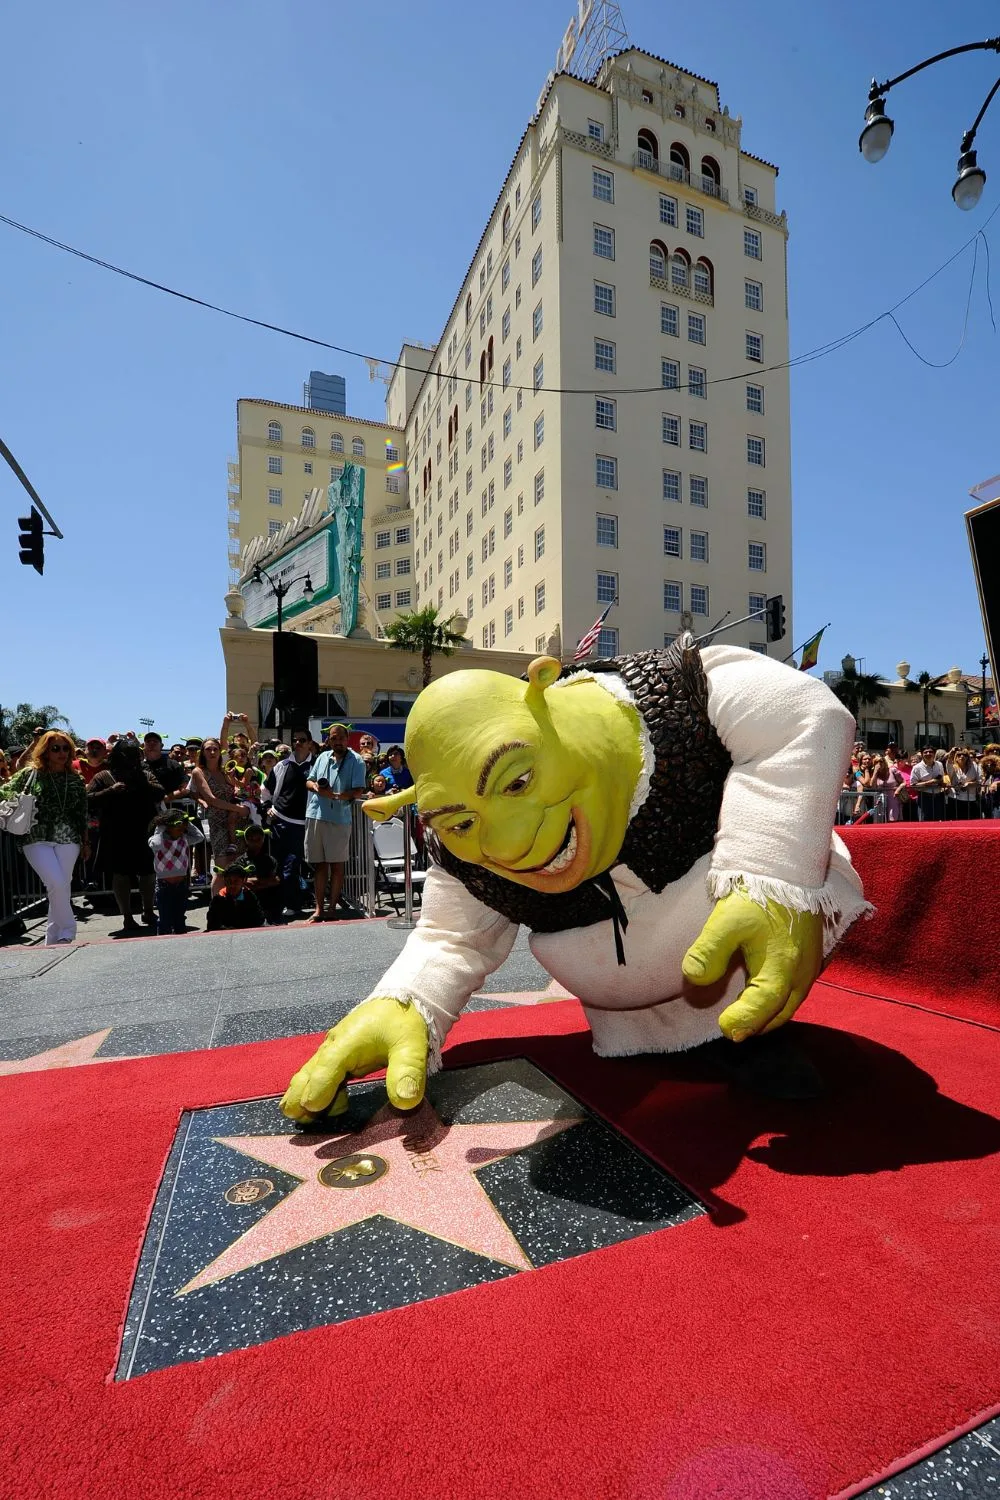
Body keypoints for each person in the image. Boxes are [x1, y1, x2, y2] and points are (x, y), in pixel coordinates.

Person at [282, 641, 870, 1125]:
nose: (506, 846)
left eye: (516, 782)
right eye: (462, 822)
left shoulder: (677, 694)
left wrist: (771, 876)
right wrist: (405, 1003)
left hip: (738, 954)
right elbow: (450, 938)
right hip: (623, 1025)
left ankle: (754, 1030)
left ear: (546, 696)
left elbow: (801, 712)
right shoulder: (464, 857)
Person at [0, 731, 89, 945]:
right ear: (45, 751)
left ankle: (53, 939)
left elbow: (81, 814)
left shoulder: (76, 780)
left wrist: (86, 842)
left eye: (66, 748)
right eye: (55, 748)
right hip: (35, 837)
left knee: (61, 886)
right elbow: (4, 791)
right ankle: (68, 930)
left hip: (69, 838)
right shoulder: (29, 774)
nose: (61, 753)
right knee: (56, 882)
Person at [87, 738, 165, 935]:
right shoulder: (104, 776)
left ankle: (148, 911)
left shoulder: (146, 775)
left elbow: (160, 793)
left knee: (148, 872)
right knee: (120, 875)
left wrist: (141, 782)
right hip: (116, 834)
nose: (131, 759)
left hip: (143, 831)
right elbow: (88, 799)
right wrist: (110, 791)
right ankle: (127, 916)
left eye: (134, 755)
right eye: (127, 755)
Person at [304, 723, 368, 922]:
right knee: (319, 865)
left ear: (347, 739)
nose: (337, 741)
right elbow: (309, 781)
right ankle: (319, 909)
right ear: (328, 740)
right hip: (315, 815)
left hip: (339, 819)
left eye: (341, 737)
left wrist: (335, 796)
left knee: (337, 866)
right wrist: (317, 788)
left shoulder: (357, 761)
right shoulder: (322, 756)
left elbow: (358, 791)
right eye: (333, 738)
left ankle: (332, 908)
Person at [265, 730, 315, 919]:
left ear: (310, 743)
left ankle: (294, 905)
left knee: (291, 868)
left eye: (302, 740)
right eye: (295, 740)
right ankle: (279, 907)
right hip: (280, 822)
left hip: (305, 824)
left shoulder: (317, 765)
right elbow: (266, 791)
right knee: (277, 867)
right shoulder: (281, 765)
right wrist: (267, 807)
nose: (298, 743)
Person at [188, 738, 248, 892]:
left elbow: (239, 789)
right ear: (203, 752)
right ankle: (216, 904)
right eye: (208, 749)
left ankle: (238, 903)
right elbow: (211, 799)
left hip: (236, 822)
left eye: (215, 749)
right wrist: (238, 809)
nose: (212, 752)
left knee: (238, 869)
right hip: (218, 823)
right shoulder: (198, 772)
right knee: (222, 871)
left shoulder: (225, 771)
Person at [148, 808, 205, 935]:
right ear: (168, 826)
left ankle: (181, 938)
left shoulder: (184, 839)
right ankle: (163, 939)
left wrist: (187, 823)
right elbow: (155, 844)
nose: (182, 831)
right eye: (179, 828)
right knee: (165, 918)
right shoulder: (158, 840)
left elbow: (200, 837)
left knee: (180, 917)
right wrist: (161, 827)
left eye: (183, 828)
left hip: (181, 885)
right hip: (164, 886)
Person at [238, 823, 284, 924]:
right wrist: (266, 882)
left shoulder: (271, 860)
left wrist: (254, 883)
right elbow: (240, 882)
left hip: (270, 905)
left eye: (258, 839)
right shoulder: (240, 861)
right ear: (246, 840)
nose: (255, 842)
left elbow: (276, 880)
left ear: (263, 840)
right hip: (249, 905)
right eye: (251, 839)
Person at [205, 860, 265, 932]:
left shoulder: (250, 897)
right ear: (224, 881)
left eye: (236, 881)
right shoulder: (218, 899)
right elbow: (212, 924)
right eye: (228, 881)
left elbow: (258, 920)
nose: (232, 885)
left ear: (243, 881)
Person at [142, 731, 188, 802]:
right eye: (148, 741)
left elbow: (186, 788)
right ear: (143, 746)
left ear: (161, 746)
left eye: (155, 741)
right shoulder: (138, 766)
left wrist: (167, 798)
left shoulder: (173, 764)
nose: (152, 743)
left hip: (170, 807)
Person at [909, 746, 948, 822]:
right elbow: (913, 785)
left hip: (938, 797)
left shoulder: (939, 764)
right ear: (922, 754)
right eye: (925, 752)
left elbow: (941, 778)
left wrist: (942, 783)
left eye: (930, 752)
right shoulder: (917, 768)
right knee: (925, 821)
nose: (928, 754)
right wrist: (929, 782)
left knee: (939, 821)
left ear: (934, 753)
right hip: (924, 797)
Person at [946, 748, 982, 820]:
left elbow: (980, 781)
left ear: (968, 757)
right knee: (955, 822)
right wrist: (951, 753)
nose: (962, 756)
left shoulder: (974, 766)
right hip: (954, 799)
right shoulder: (952, 767)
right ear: (956, 757)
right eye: (959, 755)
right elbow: (949, 761)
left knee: (970, 822)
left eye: (965, 755)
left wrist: (969, 784)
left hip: (970, 799)